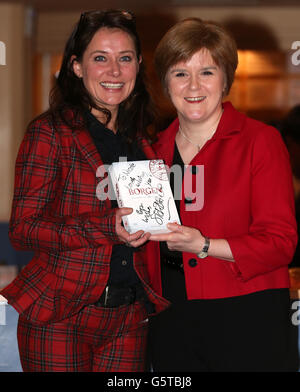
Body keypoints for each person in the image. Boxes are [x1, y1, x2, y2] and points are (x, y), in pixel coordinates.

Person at [0, 9, 168, 372]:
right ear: (76, 67)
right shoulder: (50, 132)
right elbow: (23, 229)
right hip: (61, 314)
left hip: (129, 317)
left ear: (138, 65)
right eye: (100, 59)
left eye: (125, 58)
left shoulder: (143, 138)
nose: (114, 71)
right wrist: (105, 226)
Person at [146, 17, 298, 372]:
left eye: (207, 72)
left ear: (226, 79)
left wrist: (203, 245)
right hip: (171, 320)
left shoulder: (261, 142)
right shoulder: (150, 150)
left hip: (248, 318)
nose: (193, 85)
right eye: (180, 73)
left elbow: (280, 242)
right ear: (166, 82)